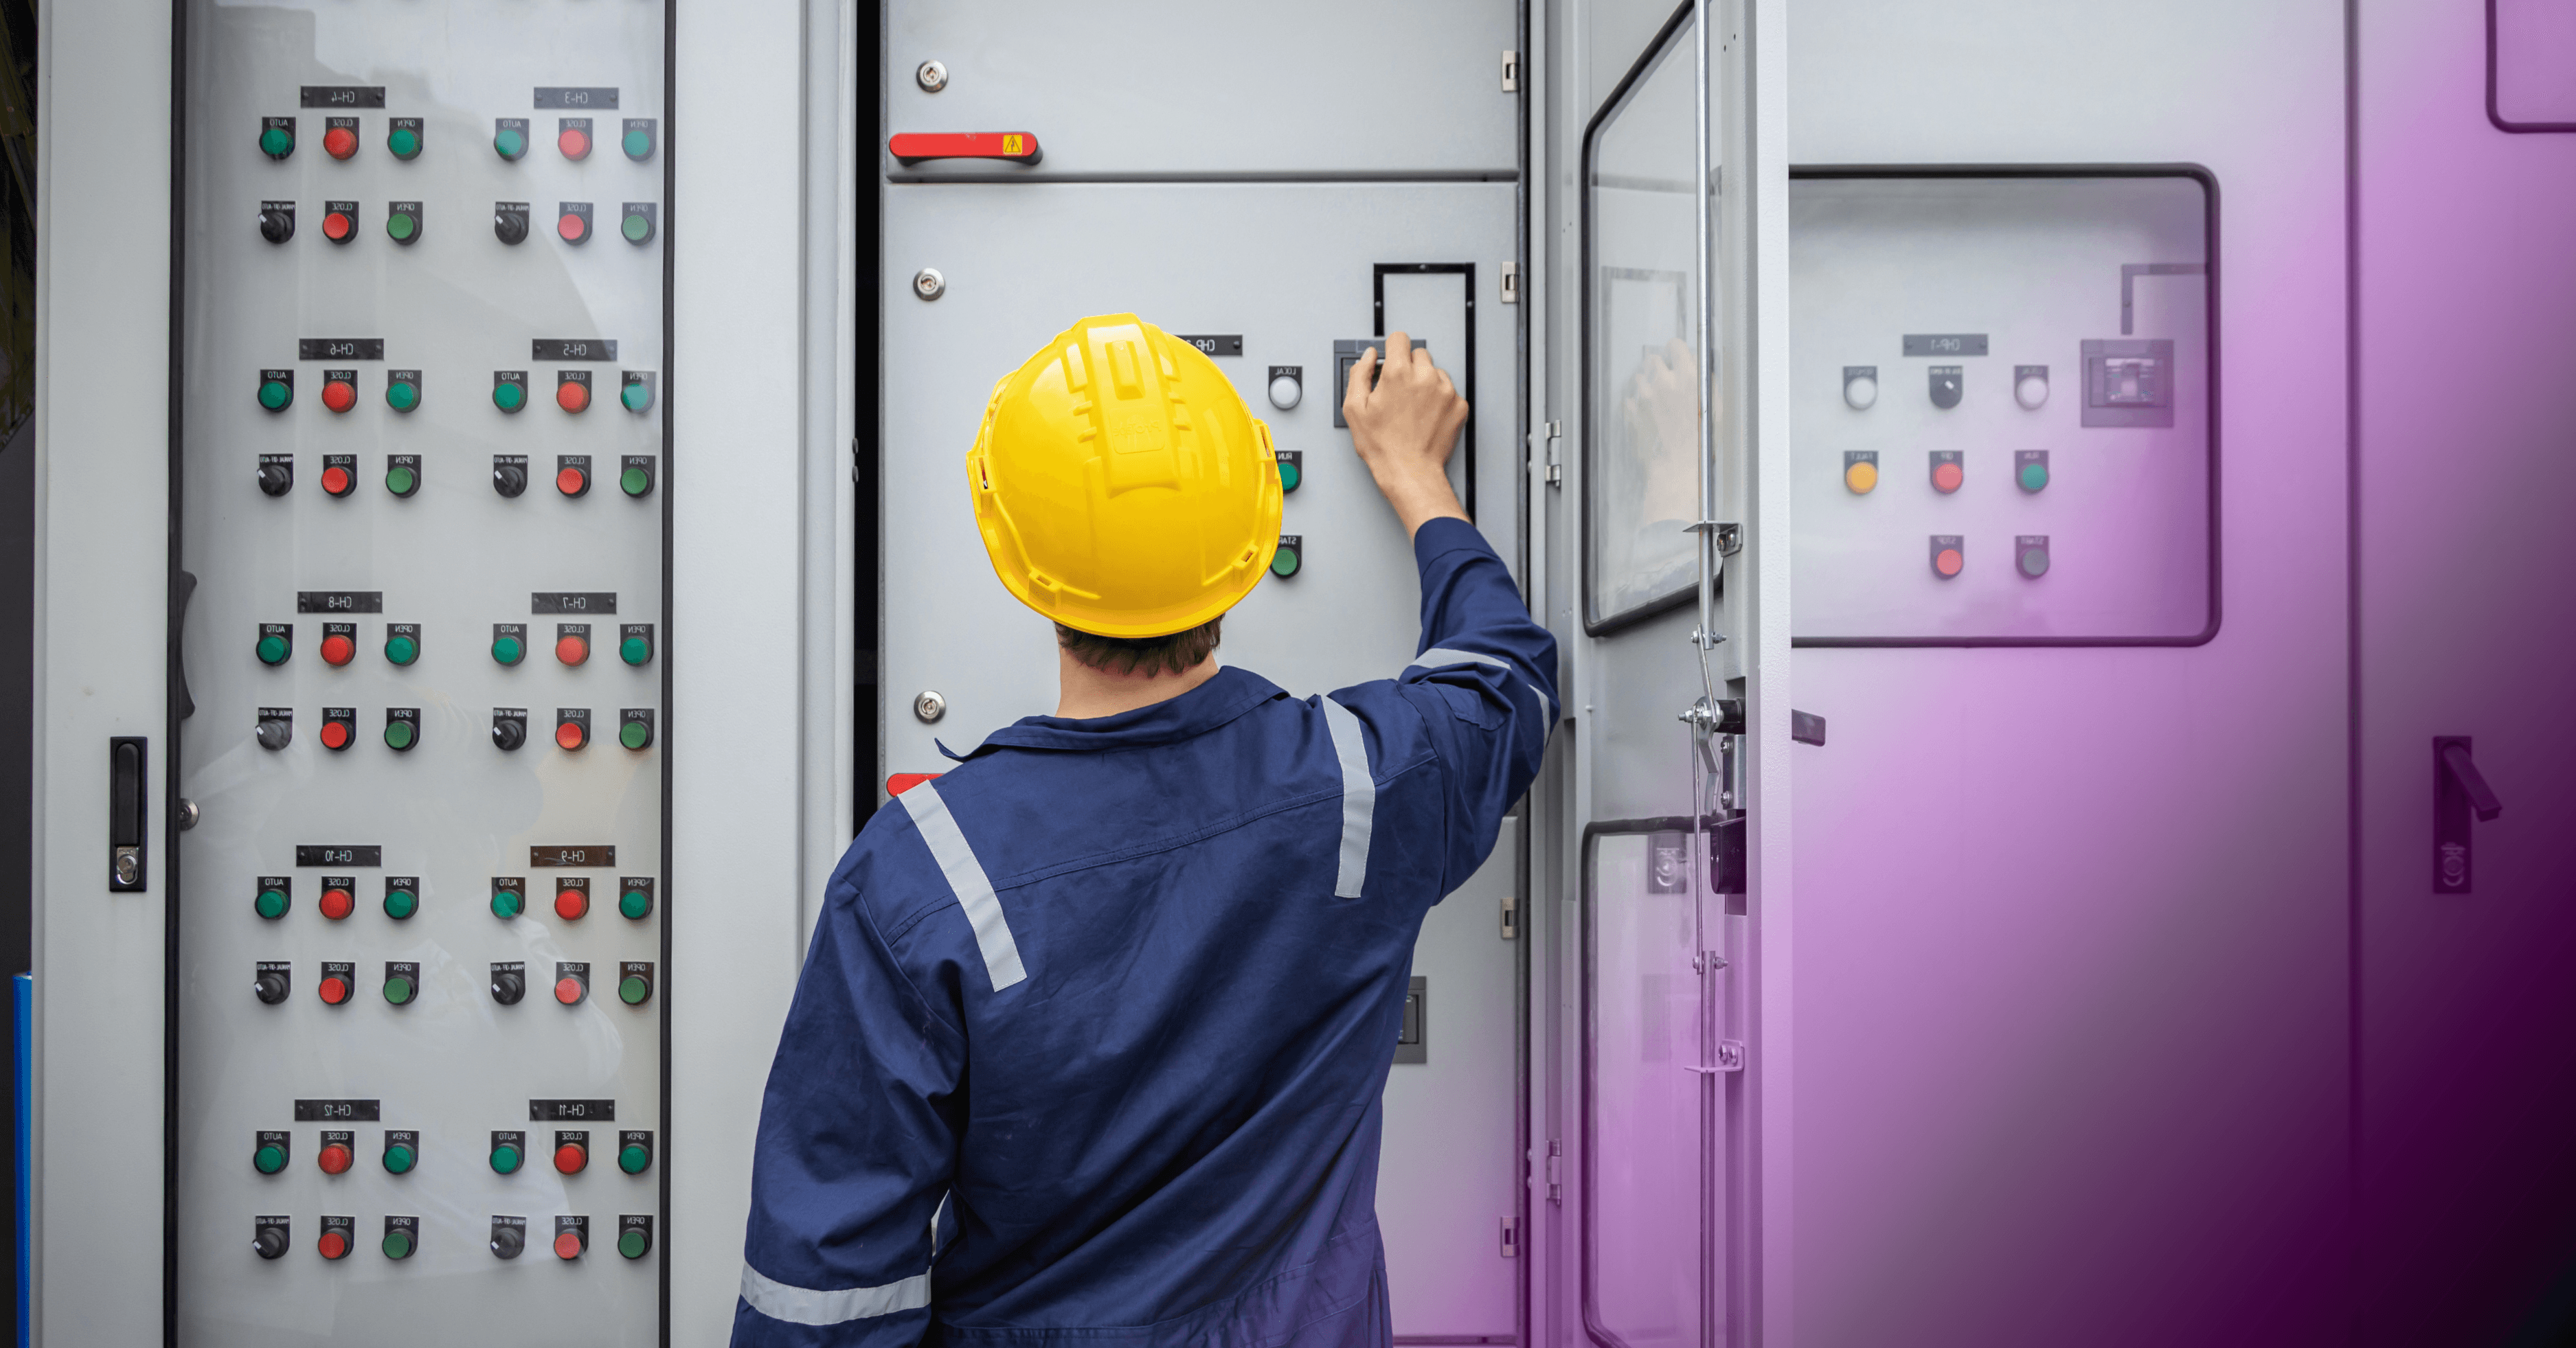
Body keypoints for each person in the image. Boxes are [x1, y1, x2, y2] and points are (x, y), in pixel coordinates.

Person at [732, 314, 1558, 1347]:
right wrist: (1415, 476)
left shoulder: (919, 873)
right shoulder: (1365, 783)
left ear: (1015, 555)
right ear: (1249, 541)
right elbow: (1507, 676)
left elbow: (827, 1300)